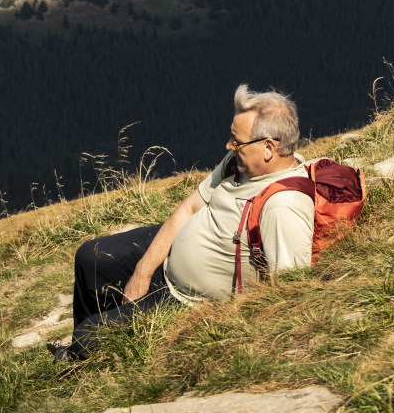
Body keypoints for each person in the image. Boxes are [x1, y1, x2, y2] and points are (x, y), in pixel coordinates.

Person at [53, 84, 314, 360]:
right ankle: (97, 338)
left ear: (268, 148)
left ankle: (84, 357)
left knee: (86, 338)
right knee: (88, 258)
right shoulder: (239, 164)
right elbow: (190, 208)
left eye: (236, 142)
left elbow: (289, 296)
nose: (228, 146)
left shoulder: (284, 205)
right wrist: (143, 271)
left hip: (188, 299)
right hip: (170, 261)